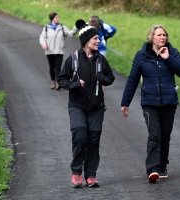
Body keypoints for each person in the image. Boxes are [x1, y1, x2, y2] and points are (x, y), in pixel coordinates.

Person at [120, 24, 180, 183]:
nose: (162, 38)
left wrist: (168, 58)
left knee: (165, 136)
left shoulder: (173, 52)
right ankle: (152, 168)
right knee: (155, 134)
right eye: (159, 35)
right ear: (151, 37)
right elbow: (132, 80)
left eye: (164, 35)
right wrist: (125, 102)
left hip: (169, 102)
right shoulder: (141, 55)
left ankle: (162, 165)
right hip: (149, 103)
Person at [57, 19, 115, 188]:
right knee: (80, 137)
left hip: (96, 107)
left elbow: (110, 78)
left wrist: (101, 78)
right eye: (95, 39)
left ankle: (91, 175)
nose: (99, 41)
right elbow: (62, 79)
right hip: (77, 106)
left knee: (93, 141)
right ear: (86, 41)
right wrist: (74, 85)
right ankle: (76, 173)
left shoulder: (100, 60)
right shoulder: (73, 59)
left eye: (99, 38)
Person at [39, 12, 78, 90]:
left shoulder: (62, 27)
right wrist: (43, 44)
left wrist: (76, 28)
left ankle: (58, 83)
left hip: (59, 51)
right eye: (56, 17)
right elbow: (42, 38)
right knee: (52, 67)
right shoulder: (46, 28)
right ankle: (53, 82)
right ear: (52, 18)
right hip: (49, 51)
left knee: (58, 67)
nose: (58, 18)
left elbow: (70, 34)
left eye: (58, 17)